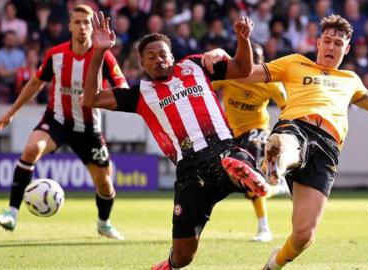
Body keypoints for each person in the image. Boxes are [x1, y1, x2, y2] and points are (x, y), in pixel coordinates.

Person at [204, 14, 368, 270]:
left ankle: (273, 263)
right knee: (288, 142)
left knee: (304, 236)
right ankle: (276, 162)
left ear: (346, 49)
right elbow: (245, 72)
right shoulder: (294, 63)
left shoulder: (351, 80)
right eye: (327, 41)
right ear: (318, 43)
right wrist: (231, 47)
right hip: (296, 127)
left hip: (328, 149)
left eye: (337, 43)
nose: (331, 47)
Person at [83, 12, 267, 269]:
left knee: (236, 159)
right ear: (142, 63)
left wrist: (242, 39)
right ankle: (168, 263)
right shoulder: (139, 94)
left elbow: (243, 69)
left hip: (222, 148)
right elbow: (91, 99)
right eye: (151, 57)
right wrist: (99, 52)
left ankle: (251, 175)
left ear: (172, 55)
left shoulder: (196, 65)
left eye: (163, 54)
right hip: (190, 170)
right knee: (183, 257)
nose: (158, 60)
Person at [0, 4, 128, 240]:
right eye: (78, 22)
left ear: (92, 26)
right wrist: (11, 111)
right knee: (32, 148)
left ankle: (103, 223)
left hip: (88, 129)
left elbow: (123, 88)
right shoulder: (56, 54)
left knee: (105, 183)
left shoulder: (103, 54)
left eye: (87, 22)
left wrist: (98, 97)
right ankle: (11, 214)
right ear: (70, 25)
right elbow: (35, 83)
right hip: (57, 120)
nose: (83, 27)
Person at [211, 43, 288, 242]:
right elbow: (205, 89)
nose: (253, 64)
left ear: (263, 62)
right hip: (230, 133)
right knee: (247, 184)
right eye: (249, 59)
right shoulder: (229, 76)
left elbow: (288, 108)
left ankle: (265, 227)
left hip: (257, 130)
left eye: (258, 60)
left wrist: (285, 134)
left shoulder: (270, 82)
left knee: (248, 167)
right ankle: (276, 187)